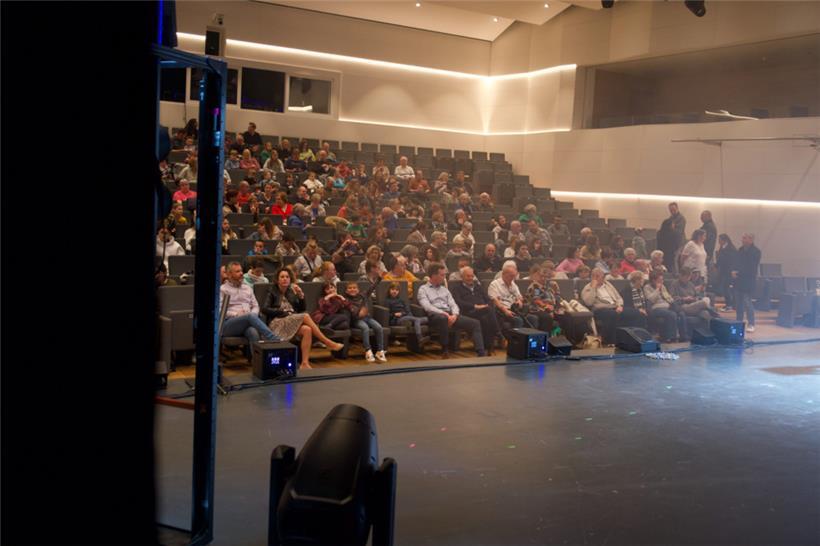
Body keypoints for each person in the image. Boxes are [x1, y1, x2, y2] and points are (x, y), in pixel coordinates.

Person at [263, 268, 344, 369]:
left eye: (287, 277)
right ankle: (327, 342)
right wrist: (282, 312)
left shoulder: (291, 291)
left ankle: (305, 363)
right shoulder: (272, 291)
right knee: (305, 316)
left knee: (307, 330)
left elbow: (302, 309)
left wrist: (301, 296)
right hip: (277, 322)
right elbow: (265, 309)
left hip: (291, 320)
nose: (285, 279)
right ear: (277, 279)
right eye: (282, 277)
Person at [417, 263, 487, 358]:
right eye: (442, 275)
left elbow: (453, 304)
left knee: (475, 323)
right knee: (443, 319)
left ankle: (481, 352)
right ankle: (445, 349)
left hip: (451, 315)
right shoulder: (423, 289)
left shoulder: (445, 290)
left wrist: (454, 315)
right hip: (435, 316)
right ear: (434, 276)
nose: (444, 277)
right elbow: (427, 307)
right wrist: (444, 314)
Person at [220, 262, 280, 359]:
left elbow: (256, 306)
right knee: (250, 317)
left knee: (253, 332)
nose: (241, 273)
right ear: (230, 274)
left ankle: (257, 363)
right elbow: (220, 312)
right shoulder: (222, 289)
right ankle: (273, 338)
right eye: (237, 271)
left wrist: (252, 315)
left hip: (247, 322)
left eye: (241, 271)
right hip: (228, 325)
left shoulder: (247, 288)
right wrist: (236, 314)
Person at [580, 268, 643, 346]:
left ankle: (635, 338)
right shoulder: (587, 288)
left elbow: (618, 297)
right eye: (601, 277)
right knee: (612, 314)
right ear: (593, 277)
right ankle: (610, 342)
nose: (603, 279)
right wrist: (593, 287)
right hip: (601, 310)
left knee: (637, 313)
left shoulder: (608, 284)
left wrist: (620, 305)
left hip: (615, 307)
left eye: (603, 277)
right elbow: (589, 302)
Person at [450, 267, 500, 354]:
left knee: (485, 318)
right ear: (462, 277)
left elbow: (487, 299)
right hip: (468, 312)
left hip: (483, 311)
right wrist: (475, 306)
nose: (470, 278)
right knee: (488, 311)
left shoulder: (478, 287)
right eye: (468, 276)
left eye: (472, 276)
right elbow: (458, 302)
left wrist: (486, 305)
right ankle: (497, 334)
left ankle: (487, 347)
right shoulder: (456, 288)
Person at [343, 282, 387, 363]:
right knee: (365, 328)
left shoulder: (362, 295)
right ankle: (368, 351)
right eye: (350, 288)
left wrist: (379, 278)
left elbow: (372, 288)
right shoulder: (346, 300)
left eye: (354, 288)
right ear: (346, 291)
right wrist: (359, 313)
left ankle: (380, 351)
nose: (352, 289)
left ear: (358, 289)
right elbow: (350, 312)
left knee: (379, 327)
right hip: (356, 320)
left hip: (367, 318)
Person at [643, 269, 685, 342]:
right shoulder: (647, 287)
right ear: (653, 280)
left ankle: (684, 336)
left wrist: (672, 303)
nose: (662, 282)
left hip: (667, 306)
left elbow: (668, 297)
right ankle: (671, 337)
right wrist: (657, 289)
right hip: (656, 308)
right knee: (672, 314)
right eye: (659, 280)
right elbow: (650, 299)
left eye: (662, 280)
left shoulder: (663, 286)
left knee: (681, 313)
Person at [488, 261, 527, 339]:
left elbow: (520, 296)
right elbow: (495, 301)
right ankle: (515, 344)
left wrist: (519, 301)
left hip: (514, 309)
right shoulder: (494, 284)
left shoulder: (513, 284)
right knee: (518, 320)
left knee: (532, 318)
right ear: (503, 274)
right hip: (501, 311)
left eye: (514, 276)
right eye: (510, 276)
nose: (512, 278)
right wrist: (506, 311)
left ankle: (528, 343)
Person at [733, 233, 761, 332]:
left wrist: (739, 272)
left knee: (747, 303)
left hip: (748, 282)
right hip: (739, 281)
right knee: (739, 304)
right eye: (743, 238)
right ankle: (738, 322)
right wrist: (734, 271)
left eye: (745, 238)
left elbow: (751, 268)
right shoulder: (740, 250)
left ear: (751, 240)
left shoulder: (756, 252)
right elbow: (736, 263)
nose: (743, 240)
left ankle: (751, 323)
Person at [525, 264, 558, 334]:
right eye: (541, 276)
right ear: (536, 276)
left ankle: (570, 341)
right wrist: (547, 308)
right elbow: (537, 300)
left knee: (567, 316)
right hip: (536, 309)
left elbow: (555, 297)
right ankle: (545, 339)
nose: (543, 278)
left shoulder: (548, 286)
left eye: (545, 277)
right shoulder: (535, 286)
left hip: (550, 308)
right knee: (547, 317)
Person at [658, 202, 686, 274]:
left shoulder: (681, 219)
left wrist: (672, 228)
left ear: (677, 208)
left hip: (679, 243)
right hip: (671, 243)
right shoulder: (671, 218)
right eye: (670, 210)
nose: (672, 211)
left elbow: (679, 232)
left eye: (673, 209)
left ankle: (676, 275)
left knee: (675, 260)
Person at [715, 234, 737, 311]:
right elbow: (720, 259)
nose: (718, 242)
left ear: (724, 240)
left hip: (729, 271)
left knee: (727, 288)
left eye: (720, 240)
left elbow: (732, 261)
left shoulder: (731, 249)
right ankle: (728, 304)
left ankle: (730, 305)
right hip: (724, 271)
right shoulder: (723, 248)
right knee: (725, 288)